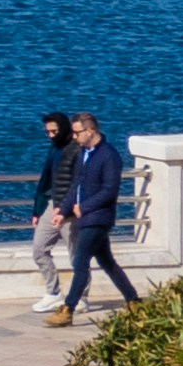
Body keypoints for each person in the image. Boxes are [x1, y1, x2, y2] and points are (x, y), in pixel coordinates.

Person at [50, 111, 140, 325]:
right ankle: (134, 300)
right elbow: (76, 185)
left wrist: (85, 207)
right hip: (85, 217)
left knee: (80, 260)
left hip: (99, 218)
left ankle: (67, 309)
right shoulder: (84, 153)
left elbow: (110, 190)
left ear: (90, 131)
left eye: (77, 132)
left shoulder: (109, 156)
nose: (74, 137)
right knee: (107, 262)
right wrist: (63, 210)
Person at [26, 111, 82, 312]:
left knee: (77, 255)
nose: (50, 135)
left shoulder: (76, 149)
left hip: (69, 209)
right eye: (47, 132)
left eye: (54, 131)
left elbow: (78, 182)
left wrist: (67, 206)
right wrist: (37, 209)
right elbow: (45, 180)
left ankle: (81, 296)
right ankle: (53, 292)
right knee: (39, 249)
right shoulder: (54, 148)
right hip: (51, 205)